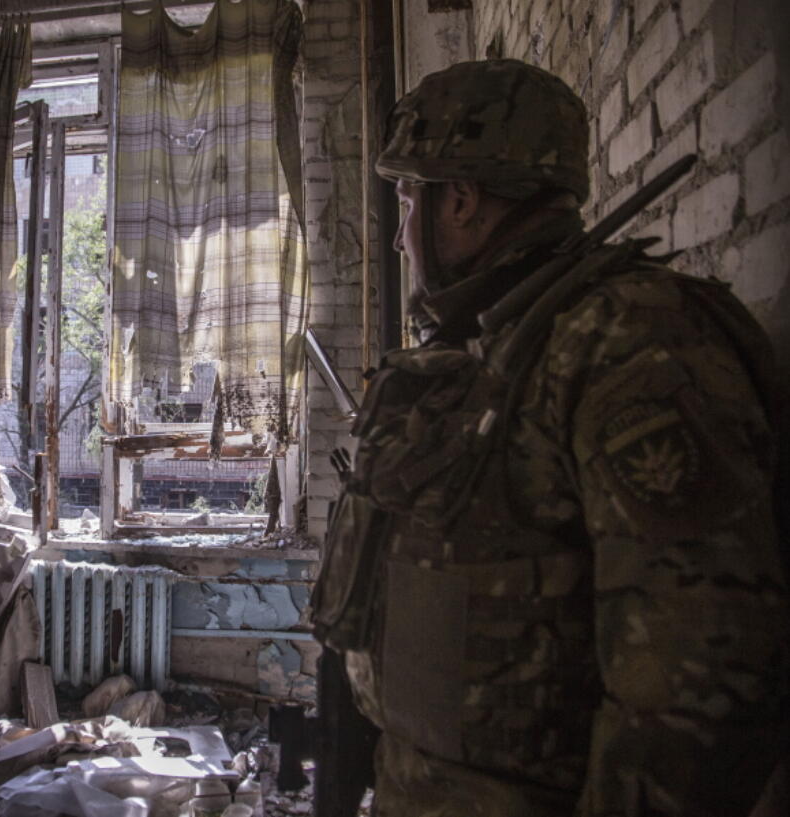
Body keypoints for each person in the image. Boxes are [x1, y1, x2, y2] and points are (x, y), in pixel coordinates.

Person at [311, 59, 789, 816]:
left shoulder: (625, 341)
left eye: (408, 203)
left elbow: (697, 689)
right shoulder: (497, 345)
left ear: (461, 202)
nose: (401, 239)